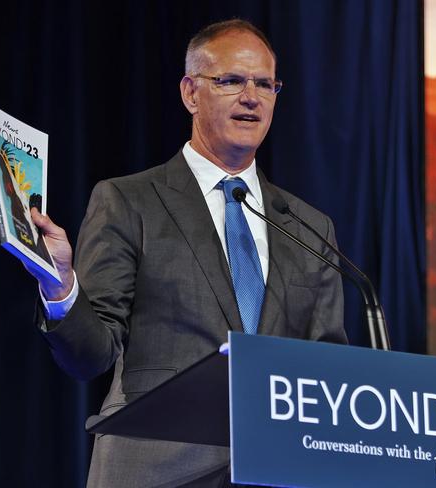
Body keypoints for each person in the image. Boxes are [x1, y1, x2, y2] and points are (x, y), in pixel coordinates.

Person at [25, 19, 347, 488]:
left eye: (265, 84)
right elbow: (90, 356)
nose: (252, 97)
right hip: (155, 471)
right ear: (190, 93)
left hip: (273, 473)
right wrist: (60, 287)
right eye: (232, 81)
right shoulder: (129, 200)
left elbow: (327, 372)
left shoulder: (310, 227)